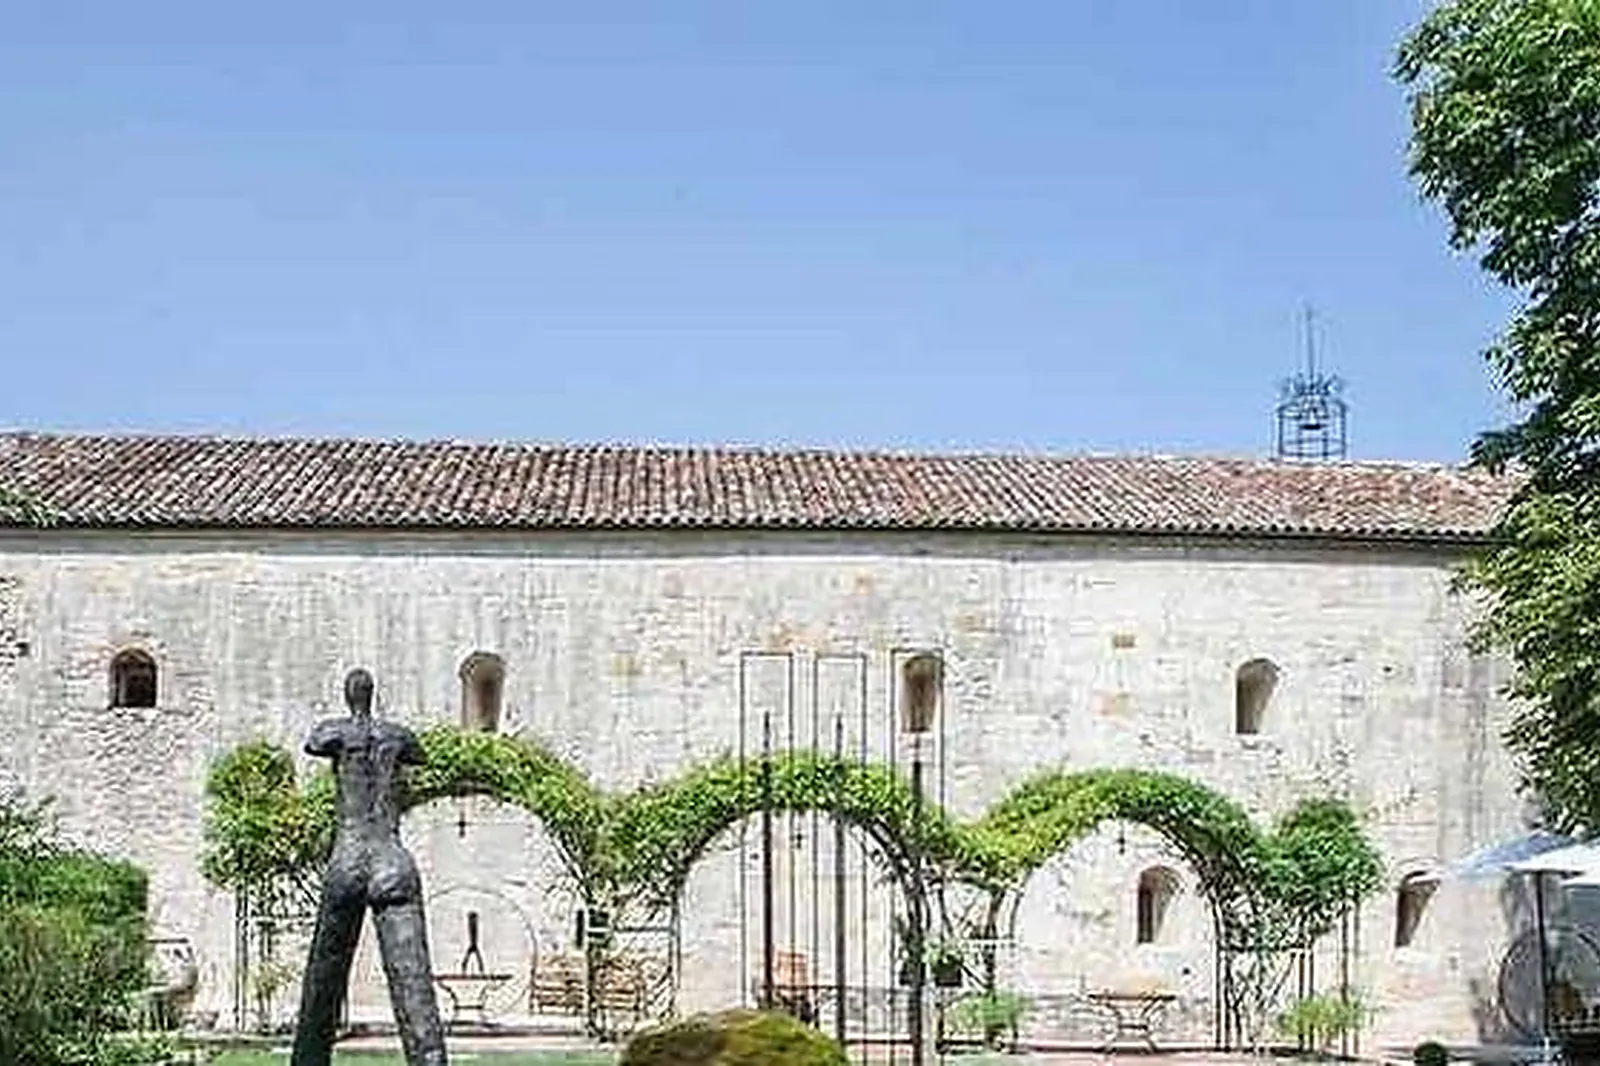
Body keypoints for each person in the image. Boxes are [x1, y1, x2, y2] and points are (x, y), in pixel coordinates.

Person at [290, 668, 448, 1066]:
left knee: (323, 984)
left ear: (348, 696)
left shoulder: (333, 732)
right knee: (415, 986)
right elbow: (419, 755)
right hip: (392, 858)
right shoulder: (398, 736)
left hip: (350, 857)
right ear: (373, 694)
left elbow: (314, 743)